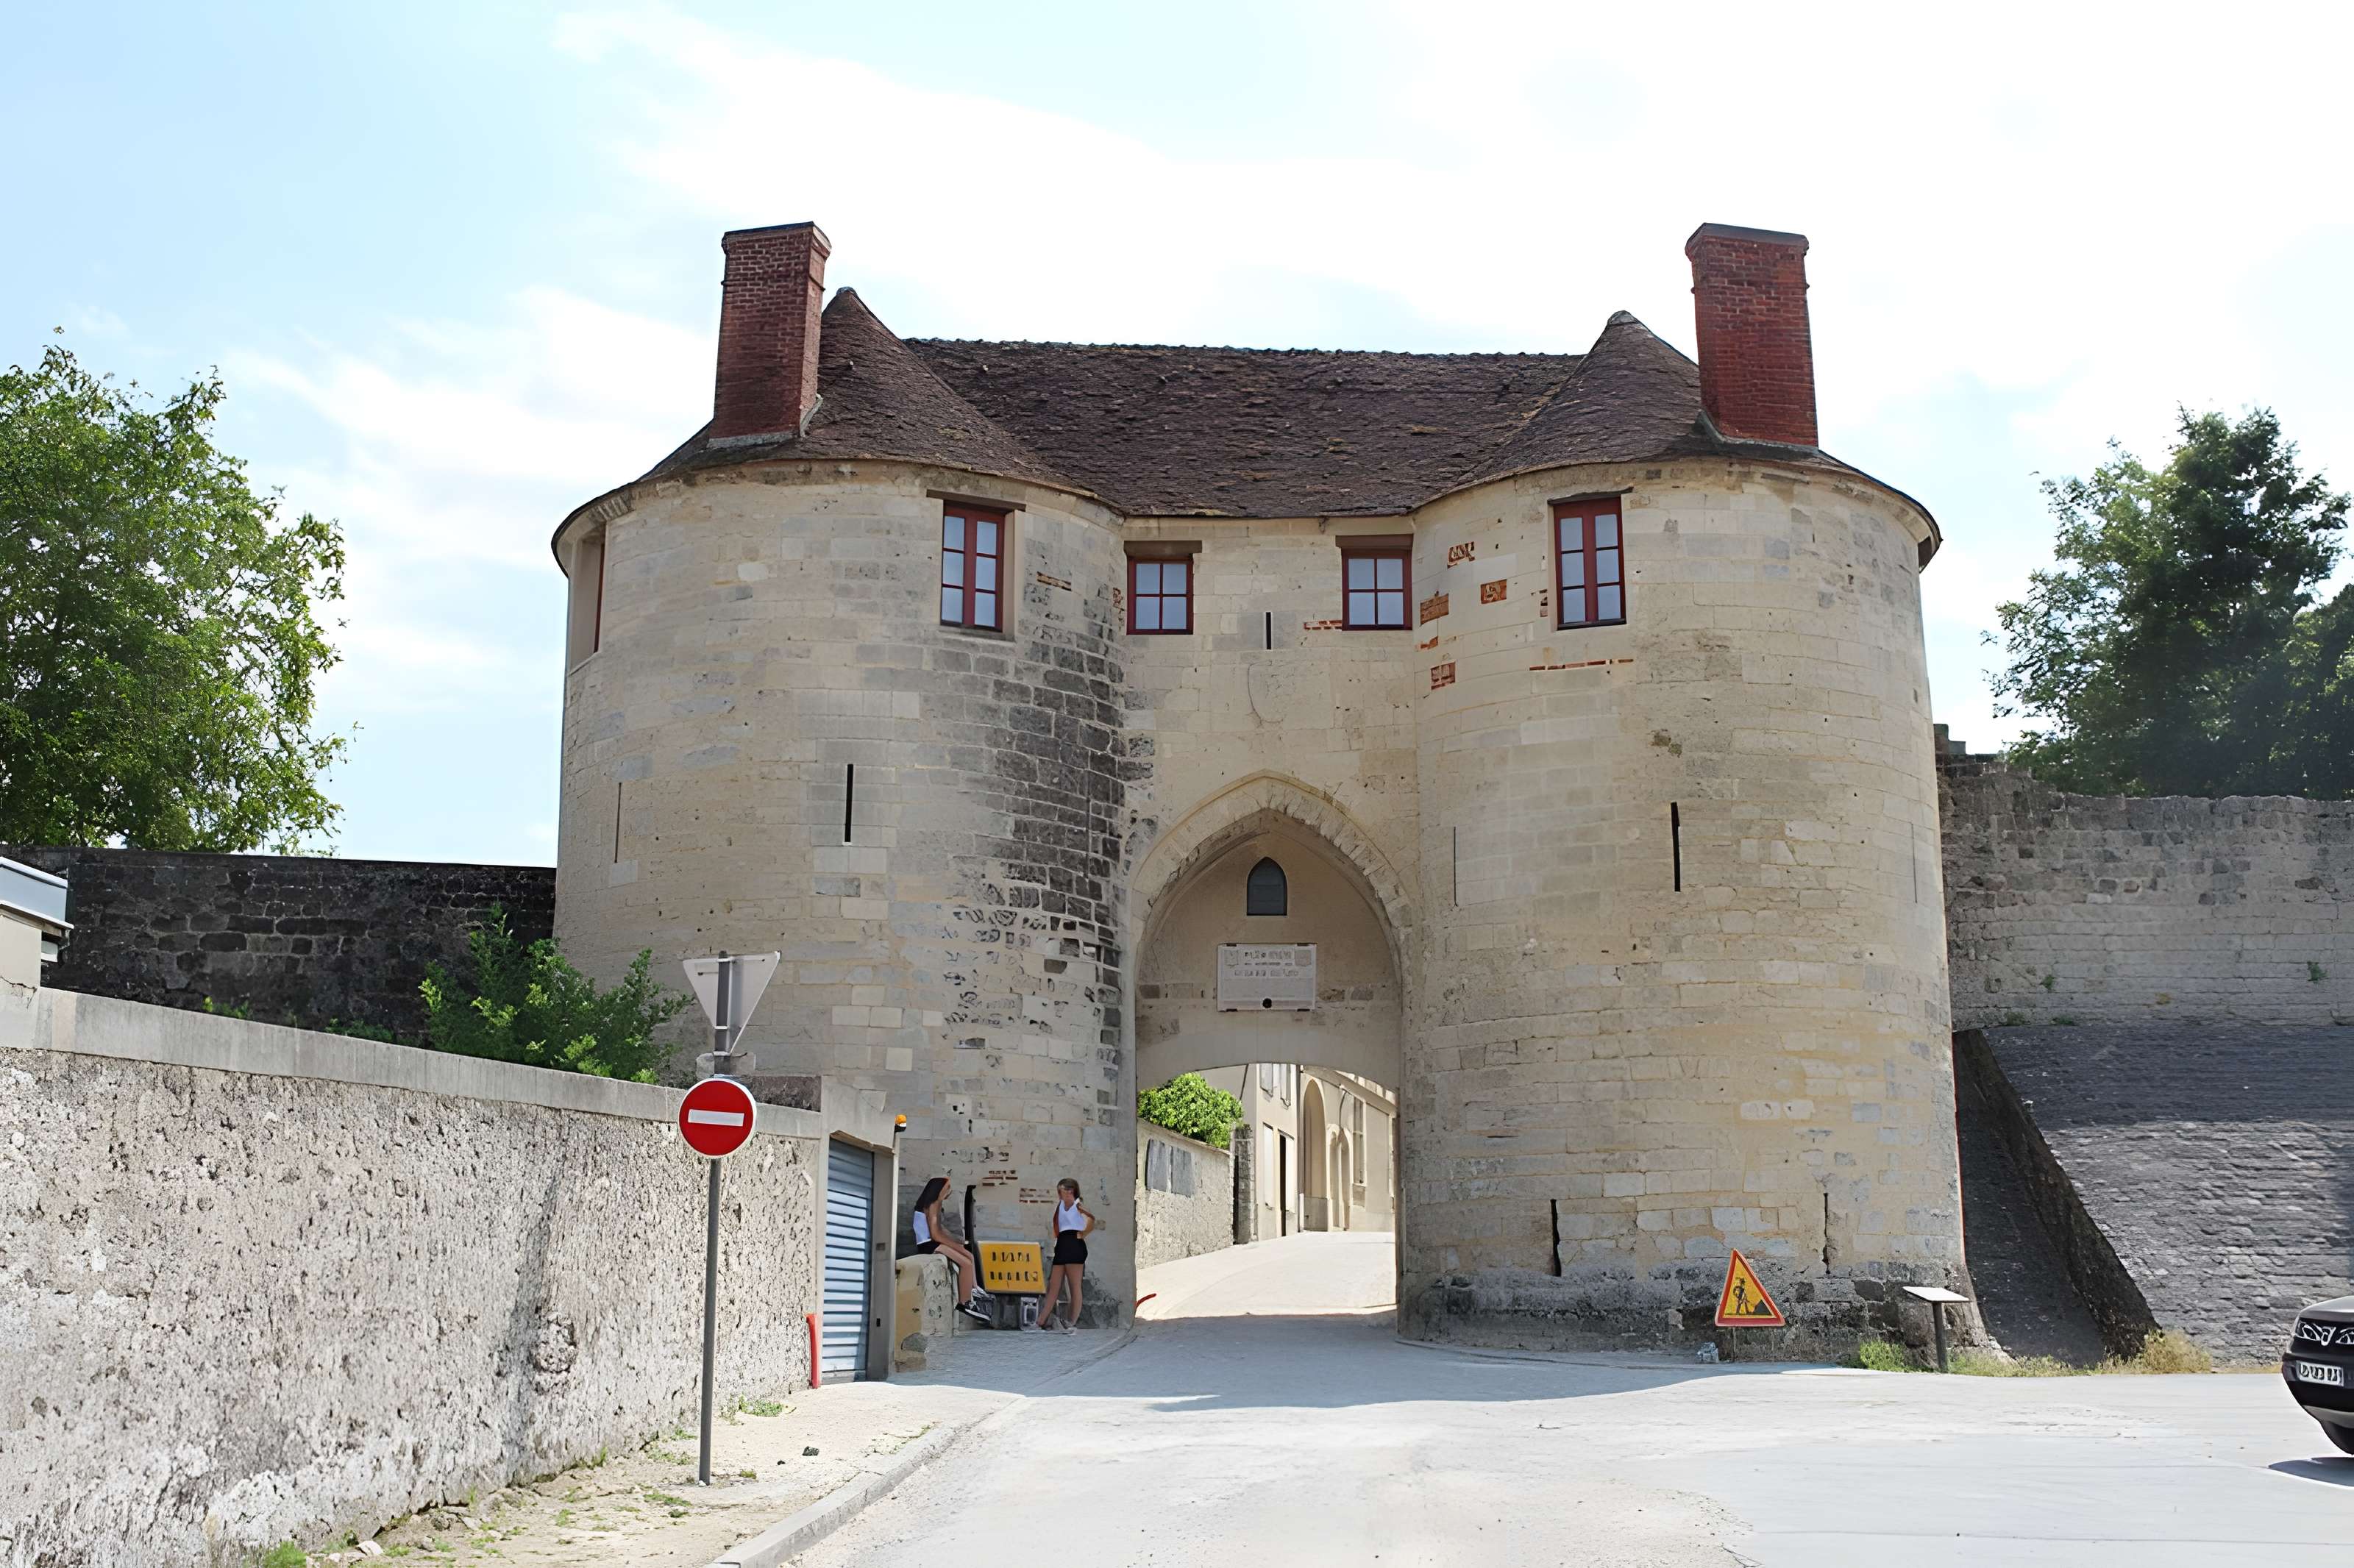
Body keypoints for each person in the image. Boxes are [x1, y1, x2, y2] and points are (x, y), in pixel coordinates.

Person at [911, 1176, 991, 1324]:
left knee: (969, 1256)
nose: (949, 1191)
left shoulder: (933, 1204)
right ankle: (965, 1302)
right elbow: (936, 1235)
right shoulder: (933, 1205)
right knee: (966, 1263)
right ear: (938, 1190)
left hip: (932, 1242)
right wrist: (954, 1245)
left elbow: (940, 1231)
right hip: (928, 1245)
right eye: (947, 1188)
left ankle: (974, 1289)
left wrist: (956, 1243)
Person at [1034, 1178, 1095, 1333]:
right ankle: (1040, 1321)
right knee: (1054, 1285)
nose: (1066, 1193)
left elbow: (1091, 1219)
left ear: (1074, 1191)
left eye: (1069, 1190)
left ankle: (1071, 1321)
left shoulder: (1078, 1205)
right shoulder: (1060, 1206)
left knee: (1074, 1286)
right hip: (1062, 1244)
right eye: (1063, 1190)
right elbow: (1057, 1225)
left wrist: (1083, 1234)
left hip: (1075, 1244)